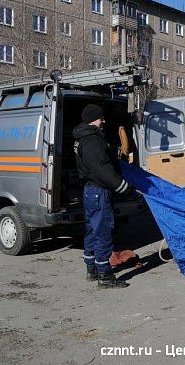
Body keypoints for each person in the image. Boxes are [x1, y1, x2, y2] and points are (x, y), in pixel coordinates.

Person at [73, 104, 132, 289]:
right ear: (93, 119)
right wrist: (123, 186)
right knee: (102, 232)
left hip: (90, 191)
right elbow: (102, 169)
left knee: (92, 230)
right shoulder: (92, 140)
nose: (104, 121)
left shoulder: (83, 138)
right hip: (99, 191)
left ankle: (91, 269)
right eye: (101, 118)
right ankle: (105, 275)